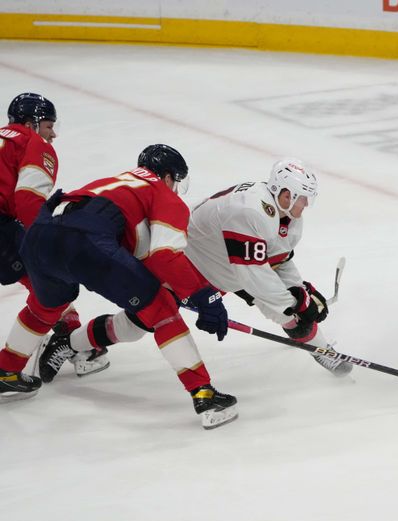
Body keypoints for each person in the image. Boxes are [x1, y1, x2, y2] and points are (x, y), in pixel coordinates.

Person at [22, 144, 237, 429]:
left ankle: (20, 366)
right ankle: (204, 394)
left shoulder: (115, 183)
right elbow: (164, 257)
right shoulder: (163, 195)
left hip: (41, 236)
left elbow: (138, 251)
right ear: (169, 176)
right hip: (88, 246)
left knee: (47, 307)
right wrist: (202, 295)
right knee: (161, 311)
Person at [184, 158, 351, 376]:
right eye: (302, 198)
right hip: (189, 259)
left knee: (291, 314)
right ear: (285, 194)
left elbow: (278, 260)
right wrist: (298, 302)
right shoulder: (250, 211)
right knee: (145, 317)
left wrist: (301, 291)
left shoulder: (286, 216)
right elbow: (254, 277)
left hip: (225, 260)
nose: (306, 204)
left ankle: (321, 350)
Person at [0, 93, 67, 401]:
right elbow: (27, 200)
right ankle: (7, 370)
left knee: (45, 280)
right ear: (31, 123)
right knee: (50, 288)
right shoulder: (34, 143)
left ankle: (69, 326)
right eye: (49, 126)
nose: (52, 134)